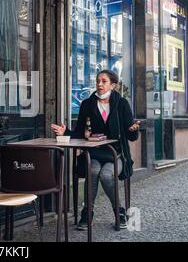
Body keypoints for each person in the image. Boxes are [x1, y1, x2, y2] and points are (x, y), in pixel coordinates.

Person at [51, 70, 140, 230]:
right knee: (92, 171)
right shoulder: (87, 104)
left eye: (104, 81)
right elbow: (79, 132)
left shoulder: (122, 104)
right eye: (98, 80)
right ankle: (87, 213)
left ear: (113, 85)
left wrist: (133, 129)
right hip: (93, 154)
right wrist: (66, 132)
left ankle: (119, 211)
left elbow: (131, 136)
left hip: (116, 155)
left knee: (107, 175)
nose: (99, 84)